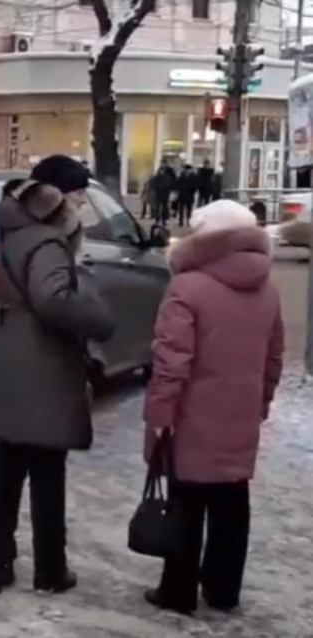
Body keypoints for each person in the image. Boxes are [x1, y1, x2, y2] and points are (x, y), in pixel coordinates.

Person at [0, 155, 114, 595]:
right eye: (76, 195)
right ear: (56, 197)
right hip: (45, 363)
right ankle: (50, 571)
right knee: (48, 469)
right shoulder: (49, 242)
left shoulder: (6, 231)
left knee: (9, 466)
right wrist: (96, 313)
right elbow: (54, 300)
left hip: (4, 354)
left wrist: (10, 317)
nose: (80, 204)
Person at [142, 200, 284, 615]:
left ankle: (177, 592)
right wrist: (261, 402)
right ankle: (223, 591)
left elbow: (171, 361)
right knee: (232, 502)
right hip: (241, 414)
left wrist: (160, 416)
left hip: (191, 415)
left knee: (186, 500)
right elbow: (274, 357)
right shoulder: (268, 289)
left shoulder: (187, 287)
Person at [153, 160, 177, 227]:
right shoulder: (158, 174)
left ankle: (164, 219)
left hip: (165, 192)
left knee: (164, 207)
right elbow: (154, 182)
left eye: (164, 163)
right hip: (159, 192)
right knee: (158, 206)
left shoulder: (169, 172)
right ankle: (157, 219)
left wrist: (172, 190)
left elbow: (173, 181)